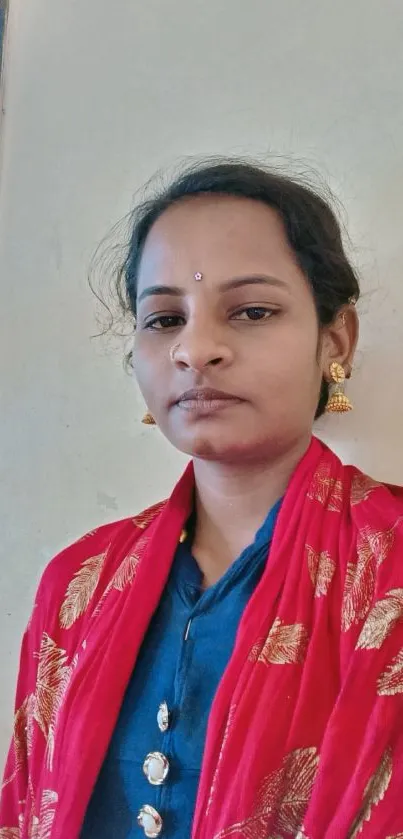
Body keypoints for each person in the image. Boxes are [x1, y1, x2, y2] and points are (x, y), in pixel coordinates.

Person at [1, 160, 403, 839]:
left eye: (251, 311)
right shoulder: (77, 584)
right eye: (163, 318)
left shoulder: (389, 569)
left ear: (335, 340)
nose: (196, 348)